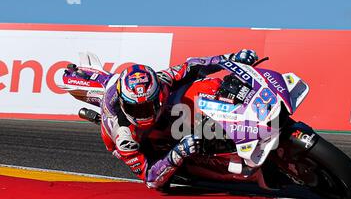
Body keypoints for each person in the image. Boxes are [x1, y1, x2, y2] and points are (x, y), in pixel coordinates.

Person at [100, 49, 258, 189]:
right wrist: (177, 153)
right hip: (142, 140)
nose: (143, 114)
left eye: (148, 106)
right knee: (165, 181)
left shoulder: (162, 80)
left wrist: (231, 59)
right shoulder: (123, 137)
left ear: (159, 95)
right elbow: (150, 180)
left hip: (164, 117)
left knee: (198, 89)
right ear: (123, 105)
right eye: (136, 109)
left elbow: (194, 65)